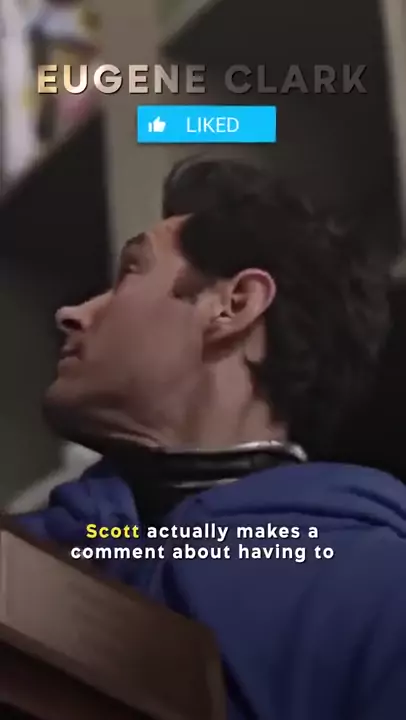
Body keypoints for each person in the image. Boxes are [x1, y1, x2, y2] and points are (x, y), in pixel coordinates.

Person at [12, 156, 406, 720]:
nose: (71, 312)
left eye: (129, 273)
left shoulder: (381, 593)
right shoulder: (31, 557)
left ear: (233, 306)